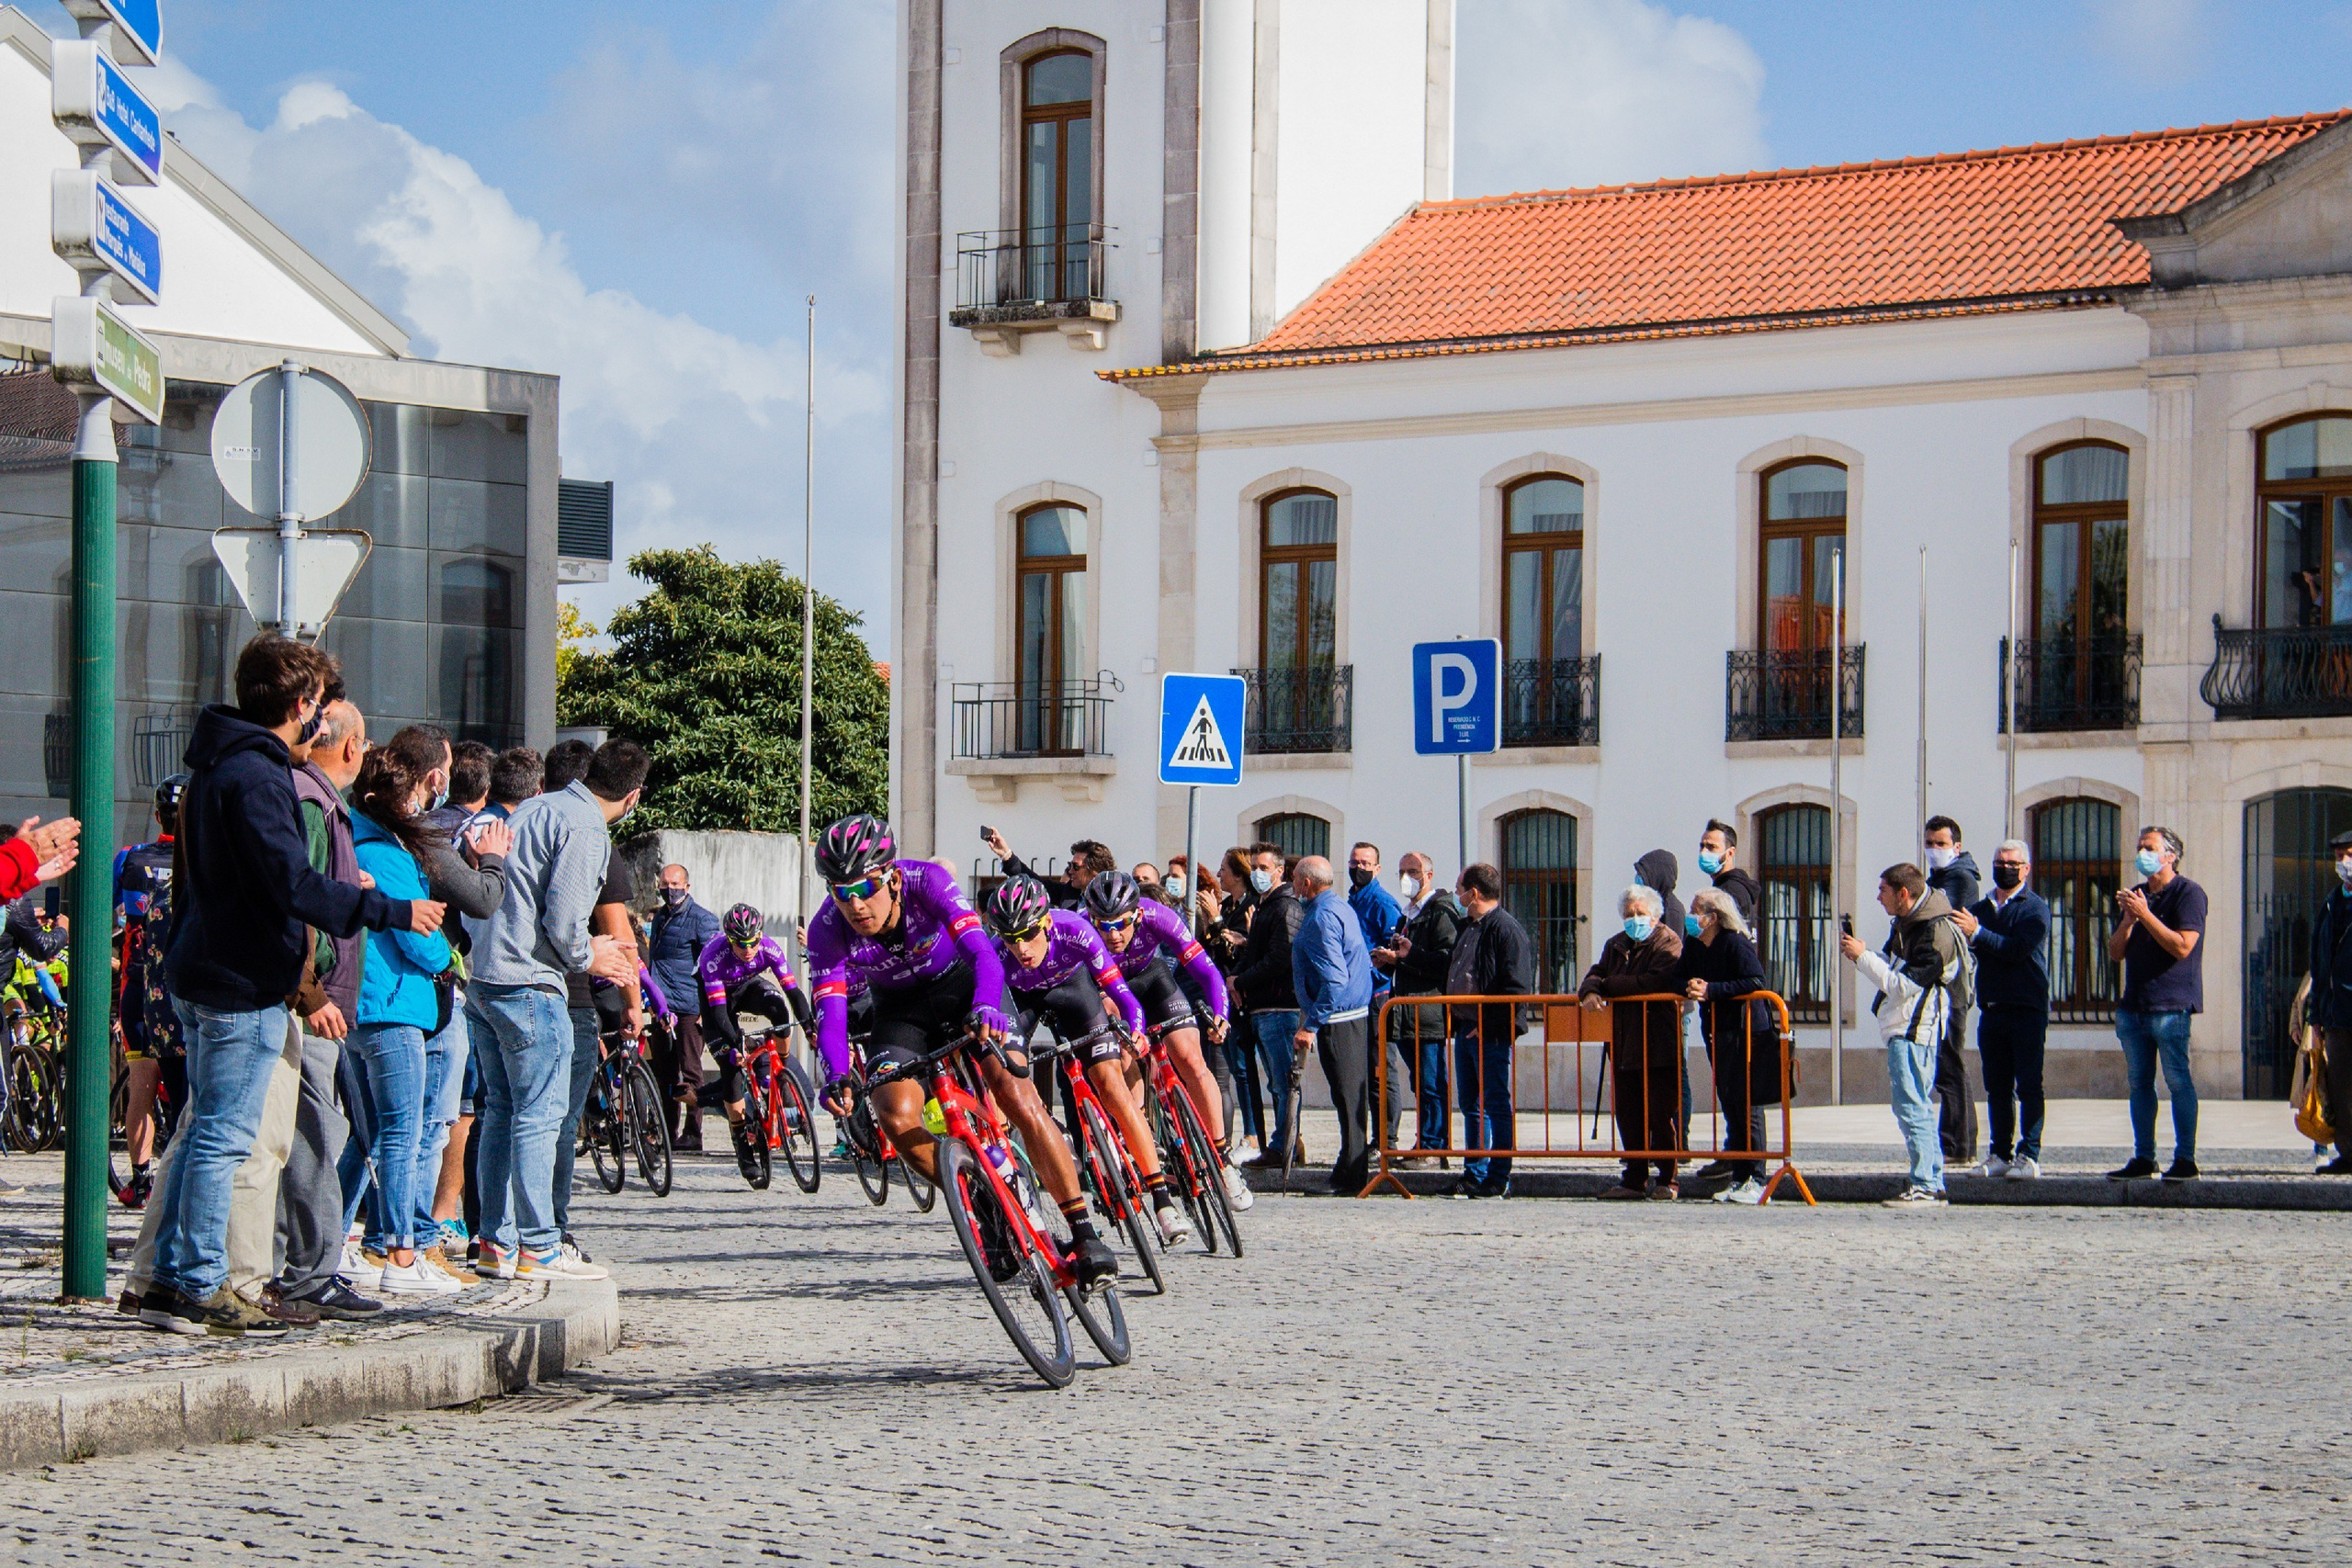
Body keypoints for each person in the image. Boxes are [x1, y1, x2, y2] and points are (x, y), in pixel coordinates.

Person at [143, 637, 441, 1337]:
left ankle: (167, 1276)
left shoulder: (221, 761)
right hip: (239, 977)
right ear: (305, 706)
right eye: (322, 706)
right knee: (223, 1137)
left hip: (203, 966)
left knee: (198, 1135)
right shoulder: (257, 773)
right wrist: (385, 908)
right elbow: (291, 882)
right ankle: (193, 1282)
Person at [803, 816, 1118, 1289]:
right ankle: (982, 1195)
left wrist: (988, 1004)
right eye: (840, 892)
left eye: (865, 886)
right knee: (893, 1113)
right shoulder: (828, 928)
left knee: (1015, 1092)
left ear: (889, 875)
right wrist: (836, 1073)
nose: (855, 903)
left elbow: (984, 953)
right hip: (901, 1011)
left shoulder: (926, 881)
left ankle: (1083, 1231)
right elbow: (830, 1009)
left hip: (966, 986)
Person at [465, 739, 642, 1282]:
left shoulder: (537, 806)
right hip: (530, 984)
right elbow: (567, 922)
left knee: (499, 1114)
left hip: (485, 977)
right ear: (633, 796)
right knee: (539, 1118)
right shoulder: (585, 827)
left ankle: (497, 1242)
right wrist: (594, 955)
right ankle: (540, 1244)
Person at [989, 876, 1191, 1246]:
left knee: (1112, 1088)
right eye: (1010, 938)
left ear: (1047, 922)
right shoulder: (997, 956)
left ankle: (1162, 1201)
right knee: (1004, 1078)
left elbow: (1121, 993)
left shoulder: (1076, 930)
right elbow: (990, 1014)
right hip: (1026, 1003)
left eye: (1029, 933)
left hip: (1075, 994)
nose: (1020, 947)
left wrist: (1136, 1029)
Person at [388, 724, 510, 1277]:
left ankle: (397, 1235)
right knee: (434, 1120)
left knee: (404, 1123)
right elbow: (481, 900)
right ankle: (415, 1237)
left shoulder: (398, 828)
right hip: (430, 986)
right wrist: (491, 861)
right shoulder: (436, 834)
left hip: (411, 989)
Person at [341, 746, 462, 1297]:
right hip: (392, 1005)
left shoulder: (358, 838)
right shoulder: (385, 852)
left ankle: (339, 1241)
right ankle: (400, 1254)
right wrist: (451, 963)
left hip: (369, 1005)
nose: (421, 801)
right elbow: (420, 937)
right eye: (412, 792)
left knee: (367, 1137)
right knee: (401, 1133)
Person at [276, 697, 381, 1320]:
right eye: (364, 743)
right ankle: (309, 1270)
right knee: (315, 1132)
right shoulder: (313, 800)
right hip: (308, 1001)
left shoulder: (320, 800)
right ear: (347, 747)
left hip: (312, 997)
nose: (363, 755)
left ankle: (300, 1266)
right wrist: (312, 993)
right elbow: (298, 902)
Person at [1083, 870, 1253, 1212]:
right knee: (1124, 1056)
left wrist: (1221, 1014)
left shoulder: (1159, 917)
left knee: (1190, 1059)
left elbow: (1206, 970)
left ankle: (1222, 1161)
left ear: (1138, 914)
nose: (1113, 934)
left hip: (1153, 980)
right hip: (1110, 991)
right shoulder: (1083, 930)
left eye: (1121, 924)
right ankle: (1141, 1133)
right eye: (1105, 925)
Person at [1839, 863, 1962, 1208]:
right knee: (1914, 1106)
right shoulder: (1907, 924)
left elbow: (1902, 985)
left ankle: (1925, 1184)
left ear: (1903, 893)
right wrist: (1864, 954)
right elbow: (1892, 966)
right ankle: (1931, 1180)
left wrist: (1863, 958)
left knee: (1913, 1108)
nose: (1878, 898)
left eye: (1883, 891)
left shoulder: (1935, 932)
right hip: (1905, 1026)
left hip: (1915, 1027)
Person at [2106, 826, 2205, 1182]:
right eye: (2139, 847)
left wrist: (2146, 915)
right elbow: (2116, 952)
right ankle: (2144, 1156)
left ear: (2170, 855)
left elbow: (2182, 947)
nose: (2142, 853)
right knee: (2139, 1083)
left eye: (2149, 847)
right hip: (2134, 1005)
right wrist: (2129, 921)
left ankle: (2185, 1158)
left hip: (2171, 1006)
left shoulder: (2189, 894)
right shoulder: (2136, 896)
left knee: (2178, 1080)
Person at [696, 903, 817, 1181]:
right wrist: (736, 1046)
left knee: (778, 1007)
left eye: (753, 941)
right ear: (729, 940)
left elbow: (793, 992)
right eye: (741, 943)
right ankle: (741, 1142)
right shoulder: (714, 957)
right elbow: (718, 1014)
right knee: (731, 1068)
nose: (749, 948)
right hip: (718, 1000)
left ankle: (781, 1070)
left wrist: (809, 1026)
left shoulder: (769, 948)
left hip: (747, 986)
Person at [1952, 839, 2050, 1179]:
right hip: (1992, 1008)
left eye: (2012, 863)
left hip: (2027, 1008)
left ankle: (2029, 1153)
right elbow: (1969, 950)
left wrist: (1979, 934)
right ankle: (2000, 1153)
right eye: (1999, 862)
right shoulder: (1980, 910)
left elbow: (2017, 949)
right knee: (1997, 1086)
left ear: (2025, 869)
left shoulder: (2034, 907)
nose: (2004, 868)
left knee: (2028, 1085)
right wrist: (1976, 935)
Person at [1579, 885, 1682, 1200]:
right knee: (1628, 1113)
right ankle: (1634, 1178)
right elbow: (1594, 973)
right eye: (1629, 914)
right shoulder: (1616, 944)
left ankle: (1669, 1178)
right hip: (1624, 1041)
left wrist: (1608, 985)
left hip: (1658, 1040)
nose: (1634, 919)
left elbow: (1653, 981)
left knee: (1661, 1114)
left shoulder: (1668, 942)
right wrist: (1592, 991)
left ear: (1654, 915)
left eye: (1640, 914)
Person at [1676, 887, 1776, 1203]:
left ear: (1713, 917)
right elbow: (1678, 976)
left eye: (1696, 911)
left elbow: (1755, 980)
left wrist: (1713, 989)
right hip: (1716, 1031)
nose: (1691, 917)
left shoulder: (1734, 942)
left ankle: (1757, 1178)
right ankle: (1739, 1176)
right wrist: (1688, 986)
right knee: (1730, 1101)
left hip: (1745, 1029)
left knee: (1749, 1104)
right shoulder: (1694, 944)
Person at [112, 774, 185, 1209]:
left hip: (138, 985)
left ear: (157, 815)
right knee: (189, 1088)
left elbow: (112, 916)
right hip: (184, 989)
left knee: (142, 1083)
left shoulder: (130, 858)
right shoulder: (206, 858)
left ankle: (140, 1181)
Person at [1446, 863, 1532, 1199]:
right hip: (1466, 1026)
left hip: (1490, 1032)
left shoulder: (1505, 930)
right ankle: (1474, 1171)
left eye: (1460, 889)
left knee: (1496, 1102)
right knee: (1471, 1104)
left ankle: (1498, 1174)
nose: (1457, 895)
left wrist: (1488, 1025)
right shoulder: (1470, 926)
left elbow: (1516, 988)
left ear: (1475, 893)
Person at [1291, 856, 1376, 1195]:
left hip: (1339, 1018)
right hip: (1348, 1015)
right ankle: (1348, 1167)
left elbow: (1336, 978)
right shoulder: (1337, 906)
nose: (1292, 883)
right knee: (1349, 1096)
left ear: (1307, 884)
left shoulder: (1322, 916)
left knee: (1347, 1095)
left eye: (1295, 878)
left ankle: (1351, 1176)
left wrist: (1311, 1024)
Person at [1375, 850, 1464, 1159]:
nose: (1406, 878)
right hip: (1407, 1010)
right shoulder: (1407, 914)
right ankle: (1427, 1141)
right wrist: (1389, 960)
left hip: (1429, 1010)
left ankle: (1432, 1144)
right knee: (1419, 1083)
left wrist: (1408, 956)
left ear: (1428, 875)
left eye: (1413, 872)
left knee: (1430, 1083)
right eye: (1401, 872)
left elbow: (1445, 961)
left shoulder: (1441, 912)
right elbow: (1404, 960)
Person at [1234, 842, 1306, 1168]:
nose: (1257, 873)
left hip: (1280, 1005)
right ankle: (1283, 1144)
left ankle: (1284, 1146)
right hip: (1262, 1006)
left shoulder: (1285, 906)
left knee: (1282, 1081)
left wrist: (1243, 980)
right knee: (1276, 1081)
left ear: (1280, 871)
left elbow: (1281, 957)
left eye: (1264, 868)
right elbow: (1255, 953)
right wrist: (1234, 978)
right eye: (1254, 867)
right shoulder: (1264, 905)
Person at [649, 863, 722, 1149]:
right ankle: (668, 1132)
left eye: (676, 885)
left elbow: (710, 965)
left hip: (690, 1006)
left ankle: (693, 1133)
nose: (670, 890)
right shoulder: (660, 918)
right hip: (662, 1007)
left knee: (691, 1071)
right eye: (665, 884)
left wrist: (707, 1009)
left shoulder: (702, 919)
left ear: (687, 887)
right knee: (664, 1072)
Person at [1924, 815, 1982, 1165]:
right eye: (1929, 843)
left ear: (1956, 847)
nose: (1934, 850)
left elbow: (1950, 925)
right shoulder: (1940, 877)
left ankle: (1957, 1145)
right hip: (1946, 982)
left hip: (1952, 983)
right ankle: (1956, 1143)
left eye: (1940, 844)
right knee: (1948, 1065)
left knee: (1950, 1064)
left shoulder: (1958, 878)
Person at [1345, 841, 1410, 1152]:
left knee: (1380, 1069)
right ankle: (1372, 1139)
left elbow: (1394, 949)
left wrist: (1374, 968)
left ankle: (1387, 1139)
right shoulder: (1353, 899)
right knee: (1364, 1070)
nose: (1358, 868)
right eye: (1354, 862)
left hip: (1377, 996)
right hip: (1357, 996)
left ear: (1377, 868)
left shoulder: (1382, 902)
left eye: (1365, 864)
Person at [2308, 829, 2352, 1176]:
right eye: (2339, 856)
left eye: (2349, 854)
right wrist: (2316, 1016)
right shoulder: (2330, 903)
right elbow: (2319, 964)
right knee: (2341, 1086)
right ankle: (2349, 1152)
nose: (2344, 862)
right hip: (2337, 1013)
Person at [980, 828, 1108, 909]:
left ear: (1094, 870)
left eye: (1076, 866)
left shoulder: (1111, 897)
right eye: (1070, 865)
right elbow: (1034, 883)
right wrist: (1006, 854)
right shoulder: (1070, 892)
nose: (1070, 871)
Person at [1696, 819, 1760, 928]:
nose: (1704, 852)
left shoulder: (1731, 891)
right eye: (1702, 846)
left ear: (1730, 853)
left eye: (1711, 847)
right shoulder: (1722, 886)